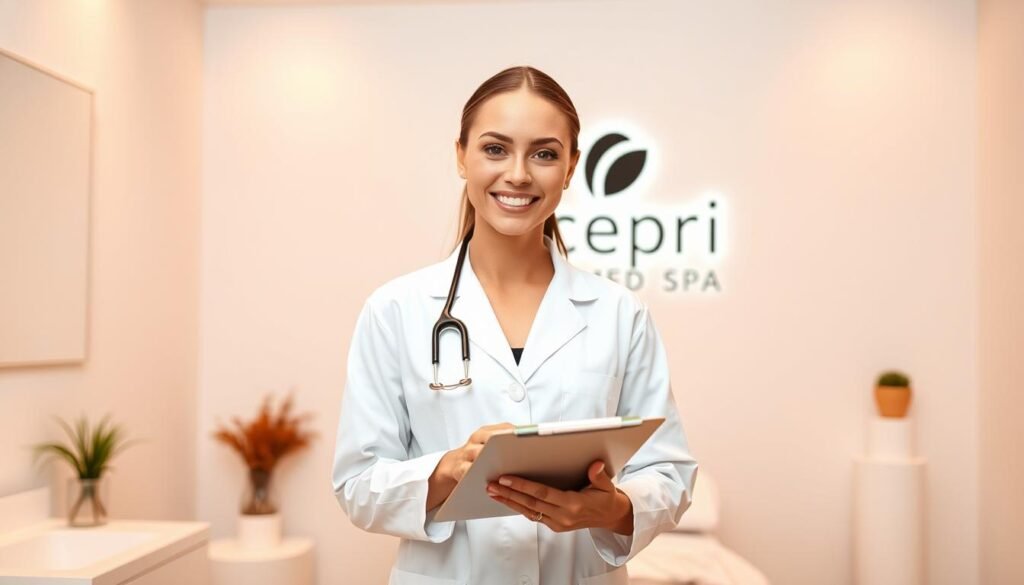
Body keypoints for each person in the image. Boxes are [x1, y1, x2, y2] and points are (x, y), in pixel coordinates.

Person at [331, 65, 698, 585]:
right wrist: (448, 471)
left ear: (571, 167)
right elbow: (357, 484)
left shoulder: (620, 313)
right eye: (495, 149)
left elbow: (669, 473)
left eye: (545, 153)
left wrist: (610, 509)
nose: (519, 174)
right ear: (461, 155)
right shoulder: (395, 309)